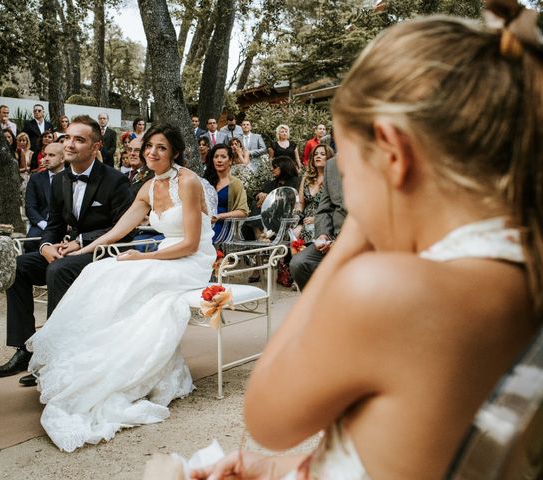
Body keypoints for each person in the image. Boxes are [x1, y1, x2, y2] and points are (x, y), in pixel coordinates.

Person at [192, 4, 543, 478]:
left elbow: (267, 419)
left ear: (393, 153)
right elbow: (417, 445)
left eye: (352, 171)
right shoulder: (519, 266)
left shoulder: (390, 290)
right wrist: (281, 471)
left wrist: (356, 237)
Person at [23, 122, 216, 452]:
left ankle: (124, 370)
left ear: (176, 153)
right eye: (149, 147)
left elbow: (191, 244)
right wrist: (80, 250)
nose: (152, 153)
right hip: (162, 255)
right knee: (101, 271)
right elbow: (117, 230)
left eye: (161, 148)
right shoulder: (146, 186)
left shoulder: (188, 182)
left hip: (192, 259)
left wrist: (143, 259)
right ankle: (88, 358)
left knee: (131, 272)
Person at [0, 115, 133, 380]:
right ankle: (24, 349)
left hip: (104, 254)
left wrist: (82, 242)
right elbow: (54, 225)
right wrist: (45, 245)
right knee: (19, 266)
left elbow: (125, 229)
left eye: (79, 139)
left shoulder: (116, 181)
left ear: (96, 146)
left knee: (58, 270)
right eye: (67, 138)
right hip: (69, 252)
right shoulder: (59, 181)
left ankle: (53, 353)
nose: (70, 144)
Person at [289, 151, 346, 290]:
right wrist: (323, 235)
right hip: (331, 234)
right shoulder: (332, 166)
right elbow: (325, 209)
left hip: (361, 241)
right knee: (298, 263)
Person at [24, 142, 66, 252]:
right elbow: (30, 208)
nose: (46, 159)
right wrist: (45, 225)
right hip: (42, 224)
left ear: (62, 158)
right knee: (30, 242)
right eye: (45, 155)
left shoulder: (72, 178)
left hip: (67, 226)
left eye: (51, 155)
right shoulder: (36, 179)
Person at [203, 143, 249, 241]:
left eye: (223, 157)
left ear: (230, 161)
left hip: (223, 226)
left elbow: (243, 212)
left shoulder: (236, 183)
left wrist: (219, 216)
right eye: (216, 157)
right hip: (203, 223)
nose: (219, 160)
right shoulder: (205, 181)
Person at [293, 143, 331, 243]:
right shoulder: (307, 178)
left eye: (322, 154)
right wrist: (295, 217)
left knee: (309, 230)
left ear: (329, 158)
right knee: (291, 232)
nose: (318, 156)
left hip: (325, 220)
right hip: (305, 220)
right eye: (316, 154)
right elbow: (300, 203)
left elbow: (335, 206)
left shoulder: (333, 179)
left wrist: (317, 219)